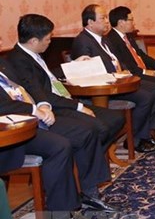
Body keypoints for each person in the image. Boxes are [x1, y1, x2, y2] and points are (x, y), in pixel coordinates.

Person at [0, 40, 115, 219]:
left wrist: (41, 106)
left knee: (82, 133)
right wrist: (35, 109)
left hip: (27, 122)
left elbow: (27, 88)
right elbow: (3, 106)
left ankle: (85, 193)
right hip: (9, 134)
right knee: (59, 146)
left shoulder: (3, 63)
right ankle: (60, 215)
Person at [8, 14, 125, 152]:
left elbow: (48, 76)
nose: (50, 41)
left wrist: (74, 64)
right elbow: (39, 92)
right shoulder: (19, 61)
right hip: (54, 106)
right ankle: (88, 159)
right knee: (98, 128)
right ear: (34, 41)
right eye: (48, 39)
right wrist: (79, 107)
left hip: (63, 99)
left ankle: (91, 155)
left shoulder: (33, 52)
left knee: (116, 118)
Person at [71, 4, 155, 153]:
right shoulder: (83, 41)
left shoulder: (103, 39)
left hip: (120, 81)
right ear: (90, 22)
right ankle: (134, 140)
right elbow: (89, 73)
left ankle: (146, 132)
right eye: (102, 18)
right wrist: (116, 74)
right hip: (105, 88)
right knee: (146, 97)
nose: (107, 22)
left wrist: (125, 70)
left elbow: (115, 60)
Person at [107, 6, 155, 135]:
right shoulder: (111, 39)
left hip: (141, 70)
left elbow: (141, 55)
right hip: (133, 74)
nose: (133, 23)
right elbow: (124, 64)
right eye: (131, 20)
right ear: (121, 22)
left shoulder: (127, 37)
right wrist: (144, 72)